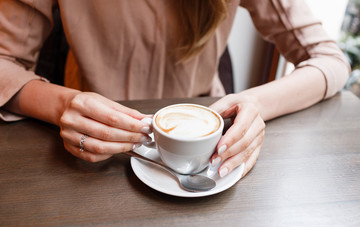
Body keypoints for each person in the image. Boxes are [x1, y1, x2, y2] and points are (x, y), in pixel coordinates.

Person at [0, 0, 350, 178]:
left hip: (204, 151)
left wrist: (254, 101)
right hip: (92, 145)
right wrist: (63, 104)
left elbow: (330, 59)